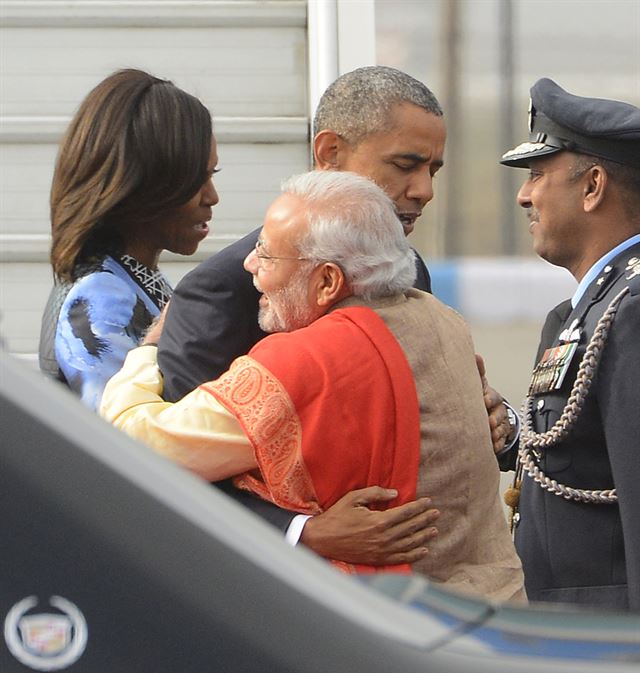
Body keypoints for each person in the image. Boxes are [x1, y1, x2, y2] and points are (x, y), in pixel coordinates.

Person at [101, 170, 525, 599]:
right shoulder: (443, 321)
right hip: (495, 613)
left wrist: (148, 352)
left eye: (266, 255)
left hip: (393, 634)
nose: (250, 265)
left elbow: (137, 445)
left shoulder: (304, 360)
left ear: (326, 282)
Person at [156, 65, 516, 565]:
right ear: (330, 154)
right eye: (405, 164)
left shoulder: (412, 276)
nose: (424, 190)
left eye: (433, 170)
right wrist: (302, 532)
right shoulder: (221, 292)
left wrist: (493, 422)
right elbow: (174, 464)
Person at [501, 78, 640, 611]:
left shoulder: (631, 311)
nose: (523, 195)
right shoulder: (585, 310)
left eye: (537, 175)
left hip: (612, 650)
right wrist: (514, 434)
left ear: (593, 186)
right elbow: (587, 459)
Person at [38, 68, 218, 410]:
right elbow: (127, 439)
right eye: (197, 179)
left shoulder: (129, 278)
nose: (212, 196)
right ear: (144, 184)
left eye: (212, 175)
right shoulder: (99, 299)